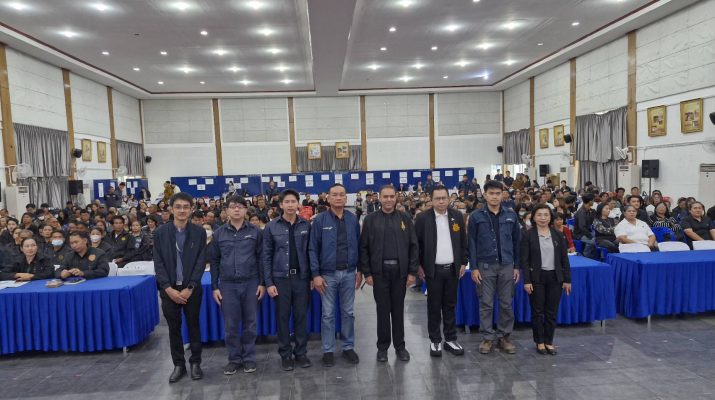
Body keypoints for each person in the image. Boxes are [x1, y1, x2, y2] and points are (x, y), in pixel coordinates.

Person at [360, 185, 419, 362]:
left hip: (400, 274)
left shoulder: (405, 218)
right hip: (379, 274)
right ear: (379, 198)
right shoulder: (370, 220)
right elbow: (363, 248)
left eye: (392, 196)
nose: (388, 200)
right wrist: (367, 273)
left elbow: (414, 246)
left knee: (398, 311)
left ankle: (400, 347)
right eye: (385, 196)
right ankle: (382, 348)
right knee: (383, 311)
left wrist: (412, 272)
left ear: (396, 198)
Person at [153, 192, 207, 383]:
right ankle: (178, 365)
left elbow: (201, 262)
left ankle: (196, 362)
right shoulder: (160, 233)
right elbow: (158, 262)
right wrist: (167, 288)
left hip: (191, 289)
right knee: (173, 328)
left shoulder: (199, 232)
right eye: (178, 207)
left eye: (186, 207)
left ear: (191, 209)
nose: (182, 210)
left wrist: (190, 287)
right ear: (171, 209)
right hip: (169, 290)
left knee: (193, 325)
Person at [209, 196, 264, 375]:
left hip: (251, 282)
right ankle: (234, 359)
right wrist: (215, 287)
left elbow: (262, 259)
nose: (237, 209)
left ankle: (249, 358)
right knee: (231, 325)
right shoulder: (219, 234)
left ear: (246, 210)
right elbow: (214, 261)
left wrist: (262, 283)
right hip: (227, 285)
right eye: (233, 207)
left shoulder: (256, 232)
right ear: (226, 210)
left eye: (240, 206)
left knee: (250, 323)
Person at [309, 183, 361, 367]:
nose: (338, 197)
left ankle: (348, 347)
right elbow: (312, 249)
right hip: (327, 275)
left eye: (341, 195)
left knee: (348, 312)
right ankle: (328, 350)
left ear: (346, 198)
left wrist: (359, 270)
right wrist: (315, 275)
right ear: (328, 198)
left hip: (349, 273)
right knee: (328, 314)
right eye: (335, 195)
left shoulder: (353, 219)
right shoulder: (320, 220)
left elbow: (359, 246)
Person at [468, 180, 521, 355]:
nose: (494, 197)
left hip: (507, 265)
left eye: (498, 193)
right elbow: (472, 243)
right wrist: (474, 267)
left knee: (506, 304)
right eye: (491, 193)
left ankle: (504, 337)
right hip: (485, 265)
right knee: (486, 303)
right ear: (485, 195)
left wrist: (517, 266)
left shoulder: (511, 215)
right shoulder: (476, 216)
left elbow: (517, 242)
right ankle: (487, 338)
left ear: (502, 195)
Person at [414, 185, 468, 357]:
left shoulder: (456, 216)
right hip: (433, 271)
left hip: (452, 269)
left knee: (450, 305)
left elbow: (463, 242)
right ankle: (435, 340)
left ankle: (450, 339)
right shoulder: (422, 218)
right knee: (434, 306)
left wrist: (463, 262)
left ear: (449, 198)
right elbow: (416, 245)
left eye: (444, 198)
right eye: (437, 198)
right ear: (431, 200)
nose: (441, 201)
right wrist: (418, 266)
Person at [263, 189, 313, 371]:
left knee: (301, 316)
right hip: (280, 279)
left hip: (301, 278)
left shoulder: (306, 225)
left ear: (298, 204)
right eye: (287, 202)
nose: (291, 205)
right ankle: (285, 354)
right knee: (282, 317)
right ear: (281, 205)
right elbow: (266, 256)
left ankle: (301, 353)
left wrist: (312, 276)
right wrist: (269, 283)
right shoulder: (271, 227)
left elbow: (310, 252)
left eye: (293, 201)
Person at [520, 204, 571, 355]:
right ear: (533, 217)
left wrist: (567, 280)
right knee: (537, 311)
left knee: (551, 312)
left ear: (551, 217)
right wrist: (527, 281)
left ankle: (549, 341)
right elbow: (524, 261)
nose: (543, 218)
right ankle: (539, 341)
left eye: (546, 215)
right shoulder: (528, 235)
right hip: (537, 278)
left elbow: (564, 259)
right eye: (539, 215)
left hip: (555, 277)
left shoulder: (558, 235)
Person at [573, 194, 597, 258]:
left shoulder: (589, 210)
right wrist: (590, 236)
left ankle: (588, 255)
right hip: (579, 234)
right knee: (593, 242)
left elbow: (590, 223)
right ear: (589, 201)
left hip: (586, 232)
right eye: (593, 200)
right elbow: (582, 227)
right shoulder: (581, 212)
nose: (593, 202)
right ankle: (586, 256)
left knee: (598, 238)